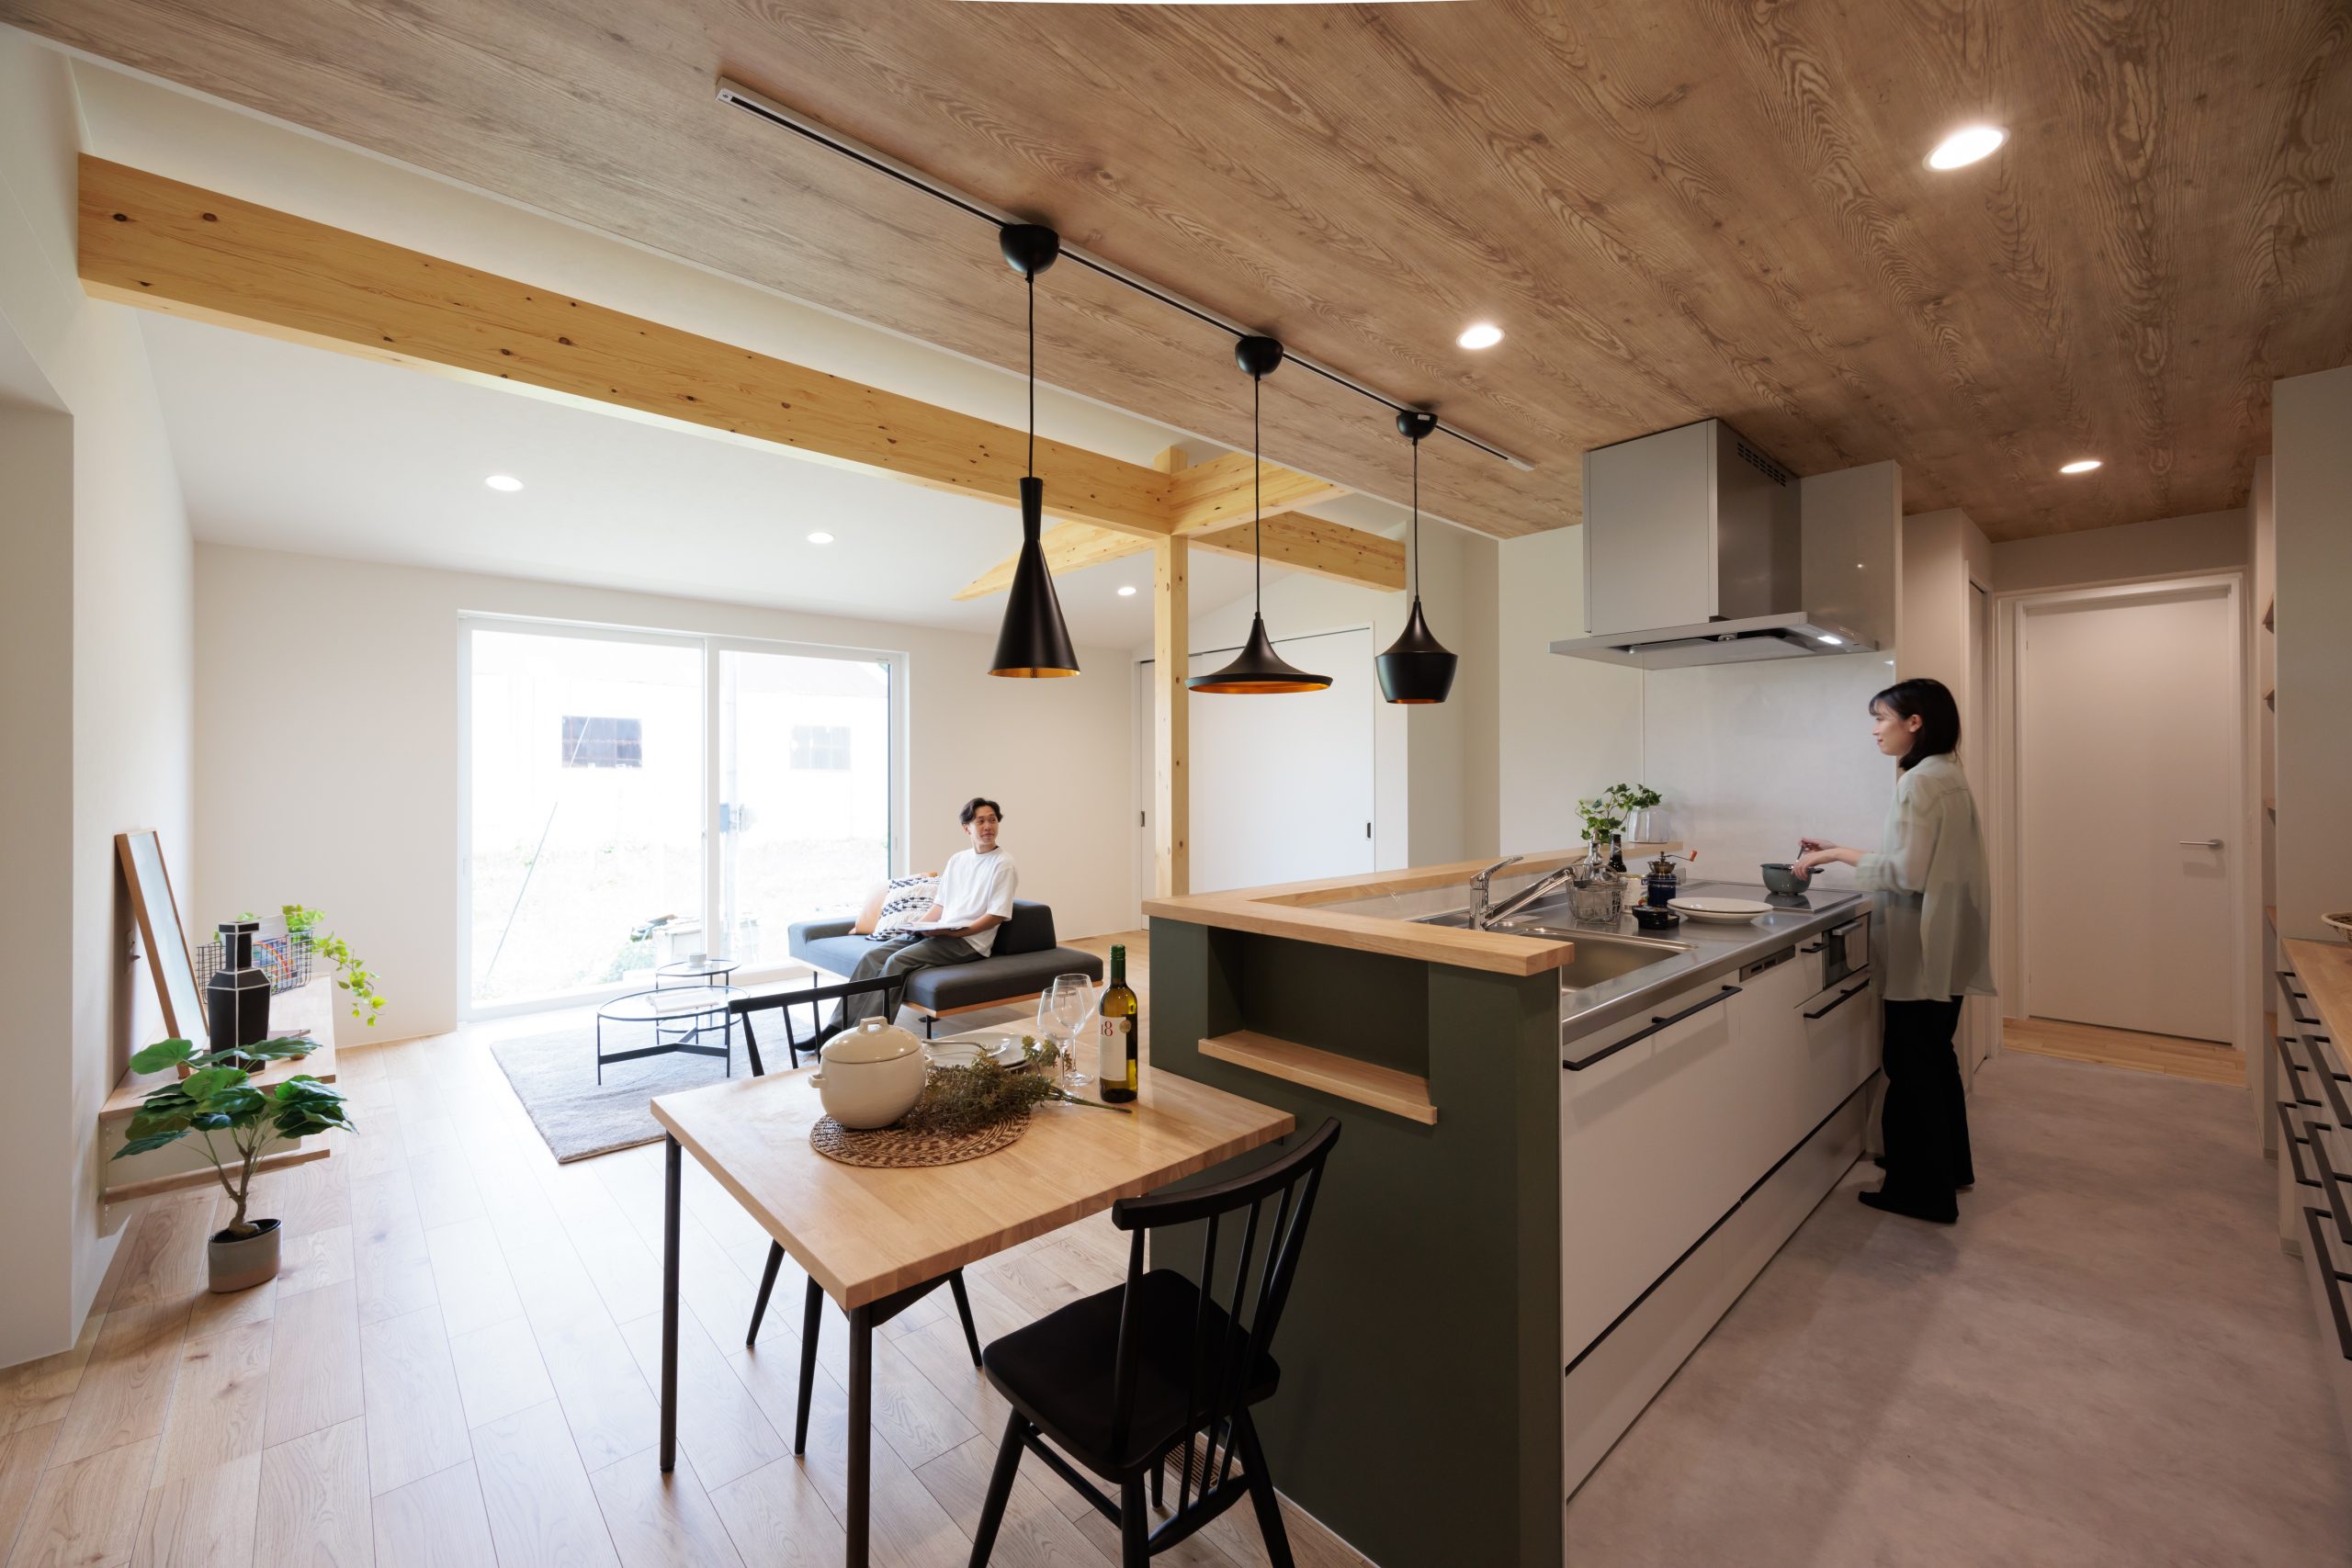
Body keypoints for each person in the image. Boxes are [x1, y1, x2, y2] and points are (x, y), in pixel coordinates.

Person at [1794, 677, 1994, 1224]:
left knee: (1910, 1068)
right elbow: (1919, 858)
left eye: (1881, 718)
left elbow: (1907, 873)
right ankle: (1947, 1170)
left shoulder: (1918, 783)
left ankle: (1921, 1193)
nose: (1875, 730)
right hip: (1945, 945)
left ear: (1914, 722)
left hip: (1921, 948)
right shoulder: (1946, 774)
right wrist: (1840, 847)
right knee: (1936, 1061)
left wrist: (1835, 855)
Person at [838, 797, 1019, 1026]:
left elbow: (996, 916)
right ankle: (838, 1026)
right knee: (871, 957)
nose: (988, 826)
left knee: (896, 962)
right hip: (941, 932)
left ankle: (871, 1031)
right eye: (980, 821)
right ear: (967, 828)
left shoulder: (1003, 863)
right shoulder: (958, 860)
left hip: (969, 942)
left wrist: (957, 933)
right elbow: (940, 906)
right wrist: (917, 927)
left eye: (992, 820)